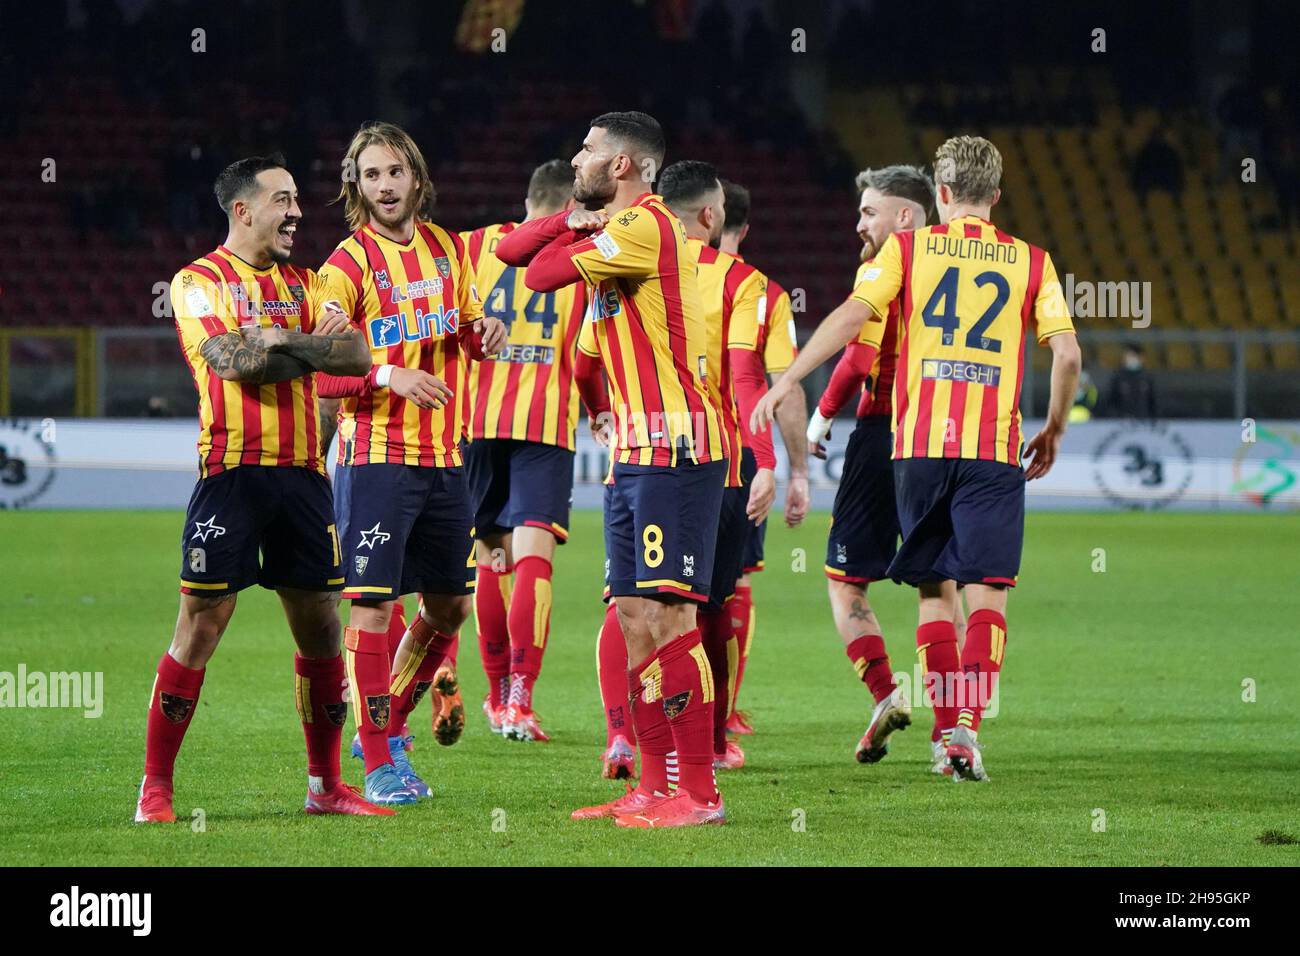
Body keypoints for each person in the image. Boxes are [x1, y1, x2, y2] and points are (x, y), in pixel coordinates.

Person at [755, 135, 1082, 782]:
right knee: (987, 594)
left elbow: (854, 319)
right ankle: (960, 736)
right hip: (993, 450)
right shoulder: (1032, 262)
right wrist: (1054, 430)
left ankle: (936, 730)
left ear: (941, 193)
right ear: (994, 194)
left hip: (919, 447)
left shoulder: (907, 250)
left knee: (934, 590)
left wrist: (791, 377)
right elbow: (1067, 354)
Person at [497, 111, 730, 827]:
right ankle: (653, 785)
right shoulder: (614, 235)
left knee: (669, 614)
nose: (577, 157)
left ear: (624, 165)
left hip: (677, 444)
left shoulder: (642, 227)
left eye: (590, 150)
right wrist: (576, 217)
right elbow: (512, 249)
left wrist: (575, 224)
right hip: (634, 451)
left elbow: (536, 272)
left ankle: (700, 794)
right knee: (632, 616)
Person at [136, 154, 381, 823]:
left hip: (305, 476)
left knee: (321, 629)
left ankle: (325, 787)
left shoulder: (309, 281)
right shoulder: (197, 282)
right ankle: (156, 787)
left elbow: (358, 357)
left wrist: (279, 338)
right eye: (284, 199)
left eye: (298, 199)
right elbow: (232, 362)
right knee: (201, 625)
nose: (298, 212)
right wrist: (302, 347)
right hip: (232, 476)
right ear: (243, 210)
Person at [312, 121, 507, 806]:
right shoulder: (344, 267)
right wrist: (389, 376)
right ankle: (379, 760)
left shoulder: (449, 251)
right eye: (371, 175)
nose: (385, 186)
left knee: (452, 604)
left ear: (417, 179)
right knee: (370, 610)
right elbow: (327, 372)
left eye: (395, 172)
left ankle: (388, 722)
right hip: (376, 463)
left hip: (445, 459)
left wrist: (485, 332)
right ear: (355, 186)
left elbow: (466, 330)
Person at [806, 165, 967, 770]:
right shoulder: (964, 265)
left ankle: (885, 693)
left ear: (906, 215)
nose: (858, 223)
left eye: (869, 211)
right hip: (941, 435)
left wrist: (820, 420)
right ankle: (949, 738)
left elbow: (858, 356)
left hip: (881, 432)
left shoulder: (889, 264)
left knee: (846, 580)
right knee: (939, 586)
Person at [461, 159, 594, 743]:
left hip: (475, 421)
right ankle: (520, 700)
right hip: (546, 423)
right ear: (570, 205)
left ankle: (492, 697)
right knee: (534, 557)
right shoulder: (582, 258)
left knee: (490, 556)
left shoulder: (472, 248)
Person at [716, 179, 810, 737]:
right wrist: (797, 470)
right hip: (745, 452)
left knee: (649, 589)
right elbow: (789, 387)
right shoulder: (765, 293)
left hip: (666, 445)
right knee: (735, 583)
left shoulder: (661, 275)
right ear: (744, 228)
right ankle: (720, 716)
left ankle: (636, 725)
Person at [1104, 343, 1157, 419]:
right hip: (1122, 422)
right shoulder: (1118, 377)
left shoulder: (1147, 378)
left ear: (1140, 358)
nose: (1129, 359)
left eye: (1132, 356)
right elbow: (1111, 401)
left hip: (1144, 420)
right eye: (1127, 356)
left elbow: (1153, 402)